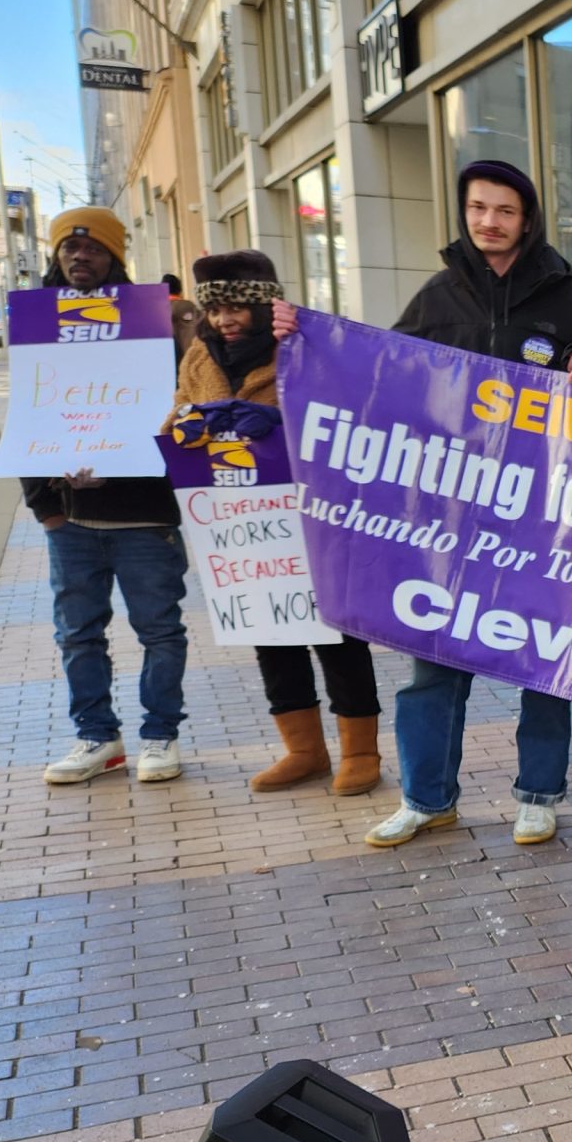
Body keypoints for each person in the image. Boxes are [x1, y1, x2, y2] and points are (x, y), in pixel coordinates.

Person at [275, 159, 572, 850]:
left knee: (541, 657)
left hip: (538, 517)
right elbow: (377, 375)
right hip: (447, 519)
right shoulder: (440, 297)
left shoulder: (568, 299)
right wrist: (303, 336)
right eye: (478, 208)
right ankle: (426, 797)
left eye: (504, 210)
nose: (489, 222)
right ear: (464, 213)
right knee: (433, 659)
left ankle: (537, 794)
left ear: (526, 220)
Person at [172, 249, 384, 797]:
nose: (224, 320)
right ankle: (304, 751)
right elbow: (176, 416)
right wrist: (189, 428)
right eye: (215, 311)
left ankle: (360, 751)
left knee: (336, 637)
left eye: (236, 308)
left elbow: (343, 420)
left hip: (313, 520)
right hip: (244, 526)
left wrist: (277, 424)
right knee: (271, 634)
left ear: (265, 305)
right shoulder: (199, 358)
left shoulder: (305, 348)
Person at [29, 206, 191, 787]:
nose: (79, 257)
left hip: (144, 517)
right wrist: (44, 506)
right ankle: (98, 738)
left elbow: (173, 412)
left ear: (115, 256)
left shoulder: (151, 326)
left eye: (92, 248)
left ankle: (159, 737)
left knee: (160, 631)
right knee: (77, 634)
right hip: (71, 522)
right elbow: (29, 412)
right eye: (68, 249)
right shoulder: (39, 322)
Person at [161, 272, 200, 359]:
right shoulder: (190, 306)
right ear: (180, 290)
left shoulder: (159, 310)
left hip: (170, 361)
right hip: (192, 357)